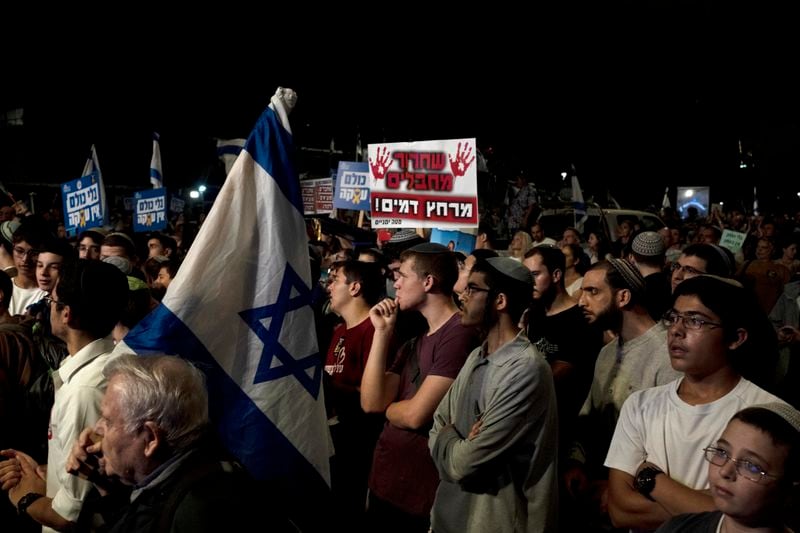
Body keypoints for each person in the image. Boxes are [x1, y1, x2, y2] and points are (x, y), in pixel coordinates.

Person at [605, 276, 786, 531]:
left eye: (695, 320)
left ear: (736, 338)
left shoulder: (770, 414)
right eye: (674, 317)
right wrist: (711, 505)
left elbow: (763, 514)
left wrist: (653, 481)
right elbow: (622, 511)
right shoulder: (640, 405)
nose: (676, 330)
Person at [64, 354, 276, 532]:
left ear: (150, 439)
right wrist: (105, 486)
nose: (98, 428)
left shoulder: (200, 513)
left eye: (108, 421)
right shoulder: (192, 474)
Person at [429, 257, 558, 532]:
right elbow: (436, 424)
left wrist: (450, 435)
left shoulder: (526, 369)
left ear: (500, 301)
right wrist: (453, 437)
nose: (462, 295)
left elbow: (465, 463)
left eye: (473, 289)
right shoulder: (477, 355)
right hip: (450, 515)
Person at [0, 260, 128, 532]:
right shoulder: (103, 369)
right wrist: (46, 473)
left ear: (66, 313)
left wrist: (21, 495)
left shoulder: (84, 391)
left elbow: (70, 516)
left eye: (51, 300)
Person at [361, 242, 478, 532]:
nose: (395, 282)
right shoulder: (416, 340)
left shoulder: (459, 334)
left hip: (418, 493)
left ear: (428, 282)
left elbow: (416, 415)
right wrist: (382, 333)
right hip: (386, 481)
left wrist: (390, 410)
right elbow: (371, 402)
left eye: (402, 275)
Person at [656, 402, 800, 532]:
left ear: (789, 487)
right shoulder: (677, 528)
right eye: (722, 452)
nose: (725, 471)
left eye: (751, 466)